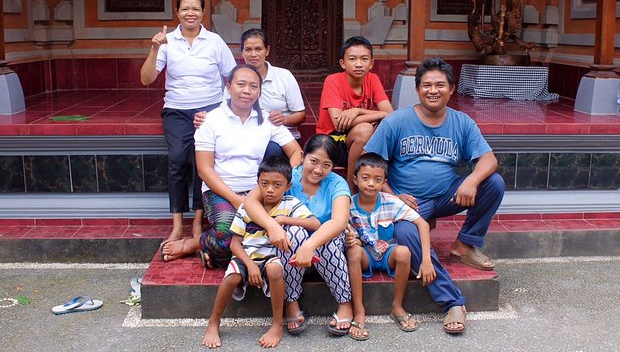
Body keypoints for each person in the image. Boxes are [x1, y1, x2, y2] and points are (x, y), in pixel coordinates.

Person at [364, 57, 505, 272]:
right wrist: (392, 196)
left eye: (440, 85)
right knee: (405, 236)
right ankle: (428, 259)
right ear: (418, 89)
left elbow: (489, 158)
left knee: (493, 183)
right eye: (426, 85)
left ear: (451, 89)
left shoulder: (462, 122)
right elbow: (368, 162)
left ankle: (465, 247)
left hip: (445, 196)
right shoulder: (396, 121)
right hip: (408, 200)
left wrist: (472, 180)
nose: (433, 91)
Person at [160, 65, 303, 266]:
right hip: (220, 190)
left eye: (253, 86)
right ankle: (195, 244)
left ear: (259, 91)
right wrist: (235, 199)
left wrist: (283, 179)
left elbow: (296, 152)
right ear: (228, 86)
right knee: (229, 233)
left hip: (258, 190)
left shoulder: (267, 120)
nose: (247, 91)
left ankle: (209, 252)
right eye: (241, 84)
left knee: (275, 232)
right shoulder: (210, 120)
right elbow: (204, 169)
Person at [141, 0, 236, 243]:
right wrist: (153, 49)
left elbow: (234, 77)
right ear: (177, 12)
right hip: (176, 110)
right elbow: (146, 79)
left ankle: (196, 221)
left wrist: (221, 108)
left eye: (195, 8)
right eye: (185, 9)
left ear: (203, 12)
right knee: (177, 159)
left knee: (200, 162)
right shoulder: (167, 42)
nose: (190, 13)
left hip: (210, 110)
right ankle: (176, 224)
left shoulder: (215, 42)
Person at [202, 157, 320, 349]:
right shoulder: (247, 207)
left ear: (288, 185)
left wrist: (285, 220)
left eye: (277, 185)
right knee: (231, 277)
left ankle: (276, 325)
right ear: (258, 184)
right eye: (264, 184)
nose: (270, 189)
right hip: (245, 256)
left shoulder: (290, 204)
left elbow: (315, 223)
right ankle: (214, 321)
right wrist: (250, 265)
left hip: (271, 257)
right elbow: (235, 244)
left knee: (274, 269)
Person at [243, 134, 354, 336]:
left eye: (327, 165)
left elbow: (339, 222)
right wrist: (273, 226)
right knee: (293, 232)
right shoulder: (289, 177)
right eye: (313, 161)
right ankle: (291, 301)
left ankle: (345, 302)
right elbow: (250, 202)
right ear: (303, 156)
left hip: (327, 247)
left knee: (325, 239)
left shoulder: (337, 184)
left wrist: (310, 245)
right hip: (291, 248)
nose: (318, 170)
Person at [345, 153, 433, 341]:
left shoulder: (390, 201)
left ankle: (397, 306)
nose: (371, 184)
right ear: (355, 179)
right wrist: (352, 240)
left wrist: (426, 260)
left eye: (377, 180)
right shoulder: (349, 205)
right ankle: (359, 310)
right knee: (352, 251)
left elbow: (422, 224)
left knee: (404, 252)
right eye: (365, 178)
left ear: (384, 181)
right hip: (365, 256)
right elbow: (344, 231)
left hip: (387, 254)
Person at [194, 28, 306, 158]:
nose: (253, 54)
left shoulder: (284, 76)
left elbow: (301, 114)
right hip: (245, 134)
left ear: (267, 50)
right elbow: (225, 110)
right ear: (242, 52)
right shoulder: (235, 78)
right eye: (248, 50)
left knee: (270, 149)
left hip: (281, 138)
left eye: (258, 49)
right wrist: (206, 117)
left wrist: (284, 119)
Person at [315, 36, 393, 192]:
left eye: (364, 59)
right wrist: (378, 115)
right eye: (352, 59)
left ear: (371, 64)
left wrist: (357, 110)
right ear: (343, 63)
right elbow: (338, 123)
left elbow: (390, 114)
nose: (358, 64)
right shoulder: (333, 80)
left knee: (375, 130)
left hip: (359, 141)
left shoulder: (373, 79)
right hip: (332, 141)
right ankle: (351, 189)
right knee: (365, 129)